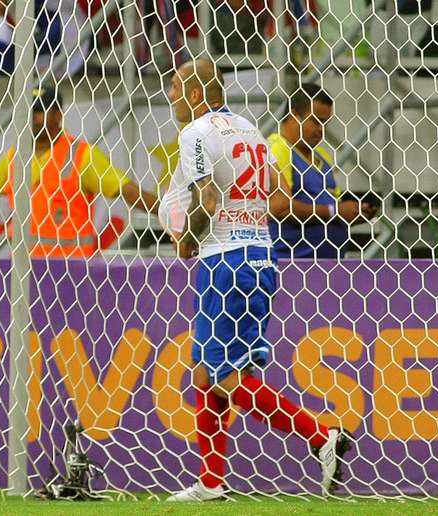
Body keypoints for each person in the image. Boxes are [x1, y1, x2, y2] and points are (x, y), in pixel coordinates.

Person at [158, 59, 351, 502]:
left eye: (174, 88)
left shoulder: (196, 133)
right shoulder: (250, 129)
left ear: (193, 91)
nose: (170, 97)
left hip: (224, 260)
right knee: (212, 372)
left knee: (224, 376)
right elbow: (275, 195)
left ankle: (321, 436)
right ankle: (210, 482)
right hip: (262, 256)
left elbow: (206, 199)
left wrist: (187, 239)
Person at [0, 87, 158, 257]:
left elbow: (124, 190)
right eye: (30, 111)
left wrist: (166, 213)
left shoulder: (82, 155)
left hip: (70, 274)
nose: (33, 118)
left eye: (40, 111)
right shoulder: (16, 157)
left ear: (58, 115)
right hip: (25, 273)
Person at [268, 83, 377, 259]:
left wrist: (354, 213)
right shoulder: (277, 149)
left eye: (325, 123)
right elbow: (281, 208)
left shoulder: (323, 158)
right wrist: (336, 211)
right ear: (294, 115)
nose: (321, 129)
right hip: (292, 265)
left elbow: (331, 209)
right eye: (315, 121)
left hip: (326, 268)